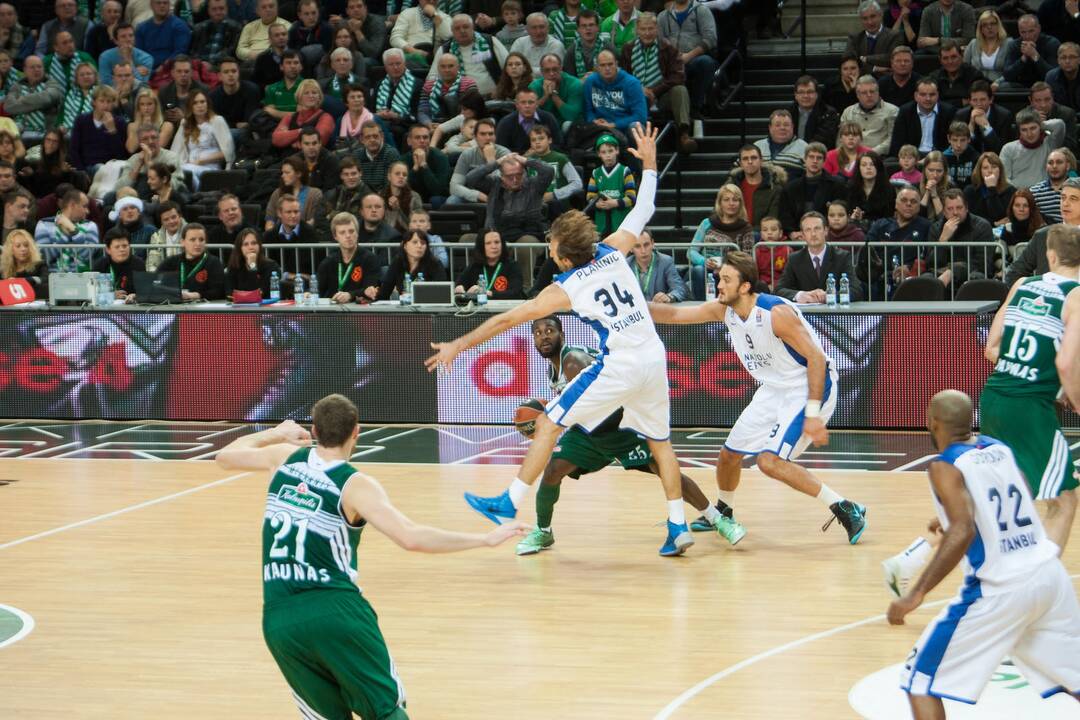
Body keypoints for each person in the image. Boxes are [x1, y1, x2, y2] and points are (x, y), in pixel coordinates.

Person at [428, 123, 701, 557]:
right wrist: (649, 161)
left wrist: (459, 345)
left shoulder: (566, 288)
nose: (550, 249)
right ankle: (677, 526)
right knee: (660, 444)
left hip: (620, 363)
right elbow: (644, 208)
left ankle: (509, 501)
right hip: (653, 357)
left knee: (550, 423)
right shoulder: (613, 249)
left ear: (563, 253)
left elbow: (507, 320)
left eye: (553, 244)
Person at [214, 399, 526, 720]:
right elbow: (411, 537)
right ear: (356, 433)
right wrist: (483, 540)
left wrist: (275, 433)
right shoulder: (355, 485)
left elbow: (224, 457)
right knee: (385, 711)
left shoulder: (283, 458)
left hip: (279, 622)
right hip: (336, 610)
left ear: (315, 431)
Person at [650, 245, 868, 544]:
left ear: (745, 286)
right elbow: (674, 314)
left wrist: (813, 415)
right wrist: (634, 309)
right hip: (774, 389)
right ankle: (723, 511)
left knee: (770, 462)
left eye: (726, 279)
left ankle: (845, 507)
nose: (719, 284)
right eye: (719, 277)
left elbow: (817, 359)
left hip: (807, 386)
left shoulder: (775, 313)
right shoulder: (723, 309)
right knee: (728, 456)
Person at [885, 389, 1080, 719]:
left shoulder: (944, 467)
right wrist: (953, 514)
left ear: (932, 424)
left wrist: (915, 594)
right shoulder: (998, 448)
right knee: (1074, 676)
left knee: (919, 682)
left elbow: (963, 531)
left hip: (1000, 589)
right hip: (1049, 576)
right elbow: (1019, 490)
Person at [515, 317, 728, 555]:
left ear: (562, 334)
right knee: (553, 471)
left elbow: (607, 400)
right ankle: (543, 531)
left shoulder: (573, 361)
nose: (543, 336)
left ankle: (717, 519)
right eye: (537, 333)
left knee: (666, 472)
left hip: (621, 424)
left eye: (549, 331)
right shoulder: (553, 370)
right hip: (591, 432)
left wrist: (552, 421)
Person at [620, 13, 696, 154]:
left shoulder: (669, 47)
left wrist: (654, 91)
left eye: (651, 29)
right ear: (637, 30)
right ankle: (639, 144)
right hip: (636, 95)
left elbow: (678, 76)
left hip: (662, 95)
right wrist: (638, 89)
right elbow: (622, 77)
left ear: (657, 29)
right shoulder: (627, 49)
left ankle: (684, 134)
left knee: (680, 90)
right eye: (643, 29)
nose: (647, 33)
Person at [465, 151, 553, 245]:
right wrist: (498, 162)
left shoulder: (534, 185)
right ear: (502, 176)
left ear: (524, 173)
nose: (515, 180)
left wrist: (525, 160)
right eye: (509, 176)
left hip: (525, 235)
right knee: (466, 239)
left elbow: (548, 171)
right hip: (496, 236)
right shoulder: (494, 184)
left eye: (518, 175)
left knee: (526, 242)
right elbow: (470, 178)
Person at [775, 211, 863, 303]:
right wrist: (800, 295)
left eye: (817, 228)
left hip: (835, 313)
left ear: (825, 231)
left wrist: (829, 296)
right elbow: (778, 290)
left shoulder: (842, 257)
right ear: (803, 235)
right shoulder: (794, 259)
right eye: (808, 230)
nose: (813, 234)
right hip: (805, 315)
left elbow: (856, 290)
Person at [863, 184, 931, 298]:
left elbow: (928, 255)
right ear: (896, 203)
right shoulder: (880, 225)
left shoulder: (926, 226)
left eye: (913, 201)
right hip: (880, 277)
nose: (908, 204)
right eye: (904, 200)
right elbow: (867, 252)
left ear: (919, 206)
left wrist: (910, 269)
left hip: (911, 278)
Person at [656, 0, 718, 112]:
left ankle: (696, 107)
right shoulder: (663, 15)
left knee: (706, 62)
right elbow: (659, 39)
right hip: (671, 61)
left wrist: (688, 56)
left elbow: (711, 39)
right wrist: (672, 53)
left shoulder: (702, 11)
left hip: (694, 58)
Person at [926, 188, 994, 288]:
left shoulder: (982, 226)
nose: (955, 212)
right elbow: (931, 264)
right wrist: (943, 240)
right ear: (944, 211)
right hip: (942, 275)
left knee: (976, 277)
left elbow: (982, 264)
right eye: (950, 209)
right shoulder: (936, 228)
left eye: (959, 208)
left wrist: (954, 270)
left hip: (971, 274)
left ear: (966, 208)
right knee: (926, 277)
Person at [428, 14, 508, 99]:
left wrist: (501, 89)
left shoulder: (490, 42)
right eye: (457, 28)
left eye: (466, 27)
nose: (462, 31)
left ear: (473, 27)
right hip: (460, 101)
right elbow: (432, 77)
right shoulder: (445, 49)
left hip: (493, 97)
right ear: (452, 31)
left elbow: (509, 66)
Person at [170, 89, 234, 190]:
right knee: (178, 172)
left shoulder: (217, 121)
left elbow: (227, 152)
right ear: (190, 107)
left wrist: (200, 161)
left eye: (202, 102)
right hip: (189, 165)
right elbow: (175, 150)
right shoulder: (185, 123)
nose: (200, 105)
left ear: (207, 103)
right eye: (195, 103)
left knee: (184, 171)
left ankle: (194, 190)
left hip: (210, 168)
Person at [779, 143, 845, 238]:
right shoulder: (790, 188)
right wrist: (792, 233)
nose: (815, 161)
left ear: (824, 161)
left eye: (819, 158)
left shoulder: (837, 186)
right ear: (805, 160)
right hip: (798, 237)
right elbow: (785, 215)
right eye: (811, 157)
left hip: (828, 236)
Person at [315, 212, 381, 303]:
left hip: (360, 312)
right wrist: (308, 294)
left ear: (357, 233)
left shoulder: (370, 259)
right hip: (333, 312)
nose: (348, 236)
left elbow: (370, 290)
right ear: (335, 236)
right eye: (342, 232)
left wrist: (350, 295)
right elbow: (317, 289)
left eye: (351, 231)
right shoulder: (328, 262)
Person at [581, 49, 647, 139]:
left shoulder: (632, 83)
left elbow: (640, 116)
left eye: (610, 64)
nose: (607, 68)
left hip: (623, 129)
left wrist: (614, 125)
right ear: (597, 67)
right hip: (598, 128)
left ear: (616, 64)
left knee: (635, 126)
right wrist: (593, 121)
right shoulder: (590, 81)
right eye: (603, 65)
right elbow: (588, 110)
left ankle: (635, 153)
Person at [156, 223, 226, 301]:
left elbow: (219, 291)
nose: (198, 244)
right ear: (182, 242)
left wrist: (197, 295)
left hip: (203, 309)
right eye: (192, 240)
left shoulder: (214, 263)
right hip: (174, 306)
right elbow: (156, 284)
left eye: (201, 240)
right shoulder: (170, 262)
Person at [723, 144, 785, 231]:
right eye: (745, 159)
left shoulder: (775, 189)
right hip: (734, 232)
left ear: (761, 160)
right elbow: (719, 213)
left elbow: (773, 220)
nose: (750, 161)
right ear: (740, 163)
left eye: (754, 158)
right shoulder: (731, 187)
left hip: (762, 236)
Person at [888, 78, 957, 157]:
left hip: (939, 156)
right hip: (912, 156)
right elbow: (897, 142)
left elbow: (952, 142)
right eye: (923, 95)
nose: (928, 98)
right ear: (915, 96)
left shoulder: (948, 111)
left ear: (938, 95)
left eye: (932, 94)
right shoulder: (906, 111)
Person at [69, 85, 128, 176]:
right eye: (102, 101)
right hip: (88, 167)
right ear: (94, 102)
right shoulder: (82, 121)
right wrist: (81, 171)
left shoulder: (120, 123)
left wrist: (112, 131)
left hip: (112, 167)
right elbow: (74, 150)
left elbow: (121, 155)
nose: (105, 105)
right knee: (99, 168)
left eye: (109, 102)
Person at [34, 187, 99, 269]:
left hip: (83, 277)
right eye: (84, 206)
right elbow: (44, 257)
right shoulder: (44, 224)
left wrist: (75, 231)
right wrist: (65, 236)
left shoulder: (90, 226)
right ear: (72, 205)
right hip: (50, 278)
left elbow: (87, 256)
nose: (87, 211)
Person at [1001, 112, 1068, 192]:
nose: (1029, 134)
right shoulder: (1008, 148)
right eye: (1024, 130)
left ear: (1040, 127)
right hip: (1018, 196)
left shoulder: (1050, 143)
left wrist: (1041, 123)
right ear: (1019, 130)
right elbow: (1004, 178)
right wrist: (1019, 194)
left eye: (1033, 128)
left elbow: (1059, 124)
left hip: (1044, 195)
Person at [4, 56, 63, 145]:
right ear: (25, 70)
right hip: (21, 132)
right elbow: (8, 107)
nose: (37, 70)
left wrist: (23, 99)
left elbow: (48, 98)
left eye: (39, 67)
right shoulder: (17, 86)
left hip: (45, 132)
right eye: (32, 67)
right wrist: (37, 103)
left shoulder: (51, 83)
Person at [447, 117, 507, 204]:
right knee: (452, 201)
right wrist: (478, 195)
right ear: (475, 137)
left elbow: (503, 185)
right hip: (473, 194)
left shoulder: (504, 153)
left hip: (498, 195)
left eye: (491, 134)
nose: (488, 138)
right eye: (483, 134)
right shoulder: (467, 154)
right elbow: (454, 187)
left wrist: (491, 161)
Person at [525, 124, 581, 216]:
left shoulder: (561, 159)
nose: (537, 142)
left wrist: (554, 194)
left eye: (541, 138)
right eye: (533, 140)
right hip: (536, 207)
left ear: (550, 140)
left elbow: (577, 183)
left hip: (559, 206)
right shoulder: (528, 161)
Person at [264, 193, 324, 277]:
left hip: (304, 284)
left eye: (296, 212)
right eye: (289, 212)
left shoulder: (311, 234)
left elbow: (314, 266)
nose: (293, 215)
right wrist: (288, 275)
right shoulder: (269, 236)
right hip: (277, 283)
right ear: (279, 213)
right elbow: (267, 267)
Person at [454, 228, 524, 299]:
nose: (494, 247)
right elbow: (460, 284)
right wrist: (460, 288)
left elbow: (515, 292)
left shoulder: (512, 266)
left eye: (497, 242)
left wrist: (487, 293)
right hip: (479, 309)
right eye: (488, 243)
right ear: (481, 246)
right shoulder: (475, 266)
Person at [587, 134, 635, 236]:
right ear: (599, 154)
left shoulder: (625, 171)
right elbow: (590, 196)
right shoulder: (595, 173)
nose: (608, 155)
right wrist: (596, 203)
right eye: (603, 152)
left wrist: (615, 203)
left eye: (611, 151)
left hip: (621, 223)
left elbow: (632, 198)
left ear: (617, 151)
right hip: (601, 224)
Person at [377, 230, 447, 299]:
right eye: (415, 242)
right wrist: (375, 293)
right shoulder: (398, 262)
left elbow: (442, 292)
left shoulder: (435, 264)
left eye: (423, 243)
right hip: (405, 307)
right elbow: (385, 291)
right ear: (405, 246)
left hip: (430, 307)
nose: (419, 246)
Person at [839, 75, 898, 157]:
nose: (869, 95)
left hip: (880, 157)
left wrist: (869, 154)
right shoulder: (848, 112)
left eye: (872, 91)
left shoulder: (892, 111)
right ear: (857, 95)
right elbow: (841, 139)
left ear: (878, 92)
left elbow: (892, 140)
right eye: (864, 93)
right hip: (851, 157)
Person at [495, 87, 561, 154]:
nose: (527, 106)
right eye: (523, 102)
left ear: (536, 104)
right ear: (517, 104)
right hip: (516, 162)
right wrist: (525, 155)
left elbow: (558, 144)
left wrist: (540, 151)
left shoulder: (548, 118)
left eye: (531, 102)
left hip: (546, 159)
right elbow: (501, 150)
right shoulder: (505, 123)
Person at [627, 228, 688, 303]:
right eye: (637, 246)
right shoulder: (625, 265)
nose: (643, 251)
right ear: (630, 248)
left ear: (652, 243)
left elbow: (679, 289)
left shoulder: (666, 262)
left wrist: (669, 297)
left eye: (646, 245)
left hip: (659, 311)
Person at [373, 49, 421, 142]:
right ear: (385, 67)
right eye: (391, 64)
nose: (395, 67)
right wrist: (378, 114)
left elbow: (416, 115)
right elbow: (370, 110)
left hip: (403, 125)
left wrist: (396, 116)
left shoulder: (417, 84)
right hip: (380, 122)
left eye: (398, 63)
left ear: (404, 64)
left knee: (391, 131)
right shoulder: (379, 84)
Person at [418, 54, 478, 128]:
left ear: (458, 67)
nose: (447, 70)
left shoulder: (468, 84)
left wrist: (444, 127)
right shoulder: (428, 85)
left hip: (461, 126)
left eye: (451, 66)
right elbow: (422, 111)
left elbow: (471, 112)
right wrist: (428, 124)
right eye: (443, 66)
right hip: (433, 125)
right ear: (438, 68)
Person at [1002, 14, 1060, 90]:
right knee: (1003, 87)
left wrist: (1034, 55)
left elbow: (1054, 76)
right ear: (1019, 31)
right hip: (1021, 85)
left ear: (1039, 28)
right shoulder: (1014, 45)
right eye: (1023, 32)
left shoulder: (1052, 43)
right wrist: (1023, 59)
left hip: (1045, 84)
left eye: (1031, 31)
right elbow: (1007, 75)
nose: (1027, 36)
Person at [389, 0, 453, 67]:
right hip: (411, 54)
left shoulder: (445, 18)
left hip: (435, 59)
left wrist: (435, 15)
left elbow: (448, 37)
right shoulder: (407, 13)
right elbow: (395, 38)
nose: (431, 1)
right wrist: (413, 51)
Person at [847, 1, 902, 74]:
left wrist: (865, 58)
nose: (870, 22)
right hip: (861, 80)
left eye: (873, 16)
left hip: (886, 79)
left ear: (881, 15)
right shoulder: (855, 38)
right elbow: (848, 62)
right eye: (865, 18)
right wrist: (874, 68)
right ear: (861, 20)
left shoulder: (894, 35)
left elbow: (892, 58)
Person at [530, 52, 583, 128]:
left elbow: (572, 116)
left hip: (566, 127)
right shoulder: (535, 86)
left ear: (561, 68)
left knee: (568, 124)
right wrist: (545, 97)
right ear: (541, 71)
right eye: (547, 70)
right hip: (542, 128)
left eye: (555, 69)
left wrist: (554, 95)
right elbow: (527, 113)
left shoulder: (574, 84)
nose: (551, 73)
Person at [224, 228, 281, 298]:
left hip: (264, 307)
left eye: (254, 243)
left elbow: (258, 294)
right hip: (240, 307)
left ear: (259, 246)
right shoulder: (234, 267)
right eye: (245, 244)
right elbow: (229, 294)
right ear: (240, 248)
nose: (251, 247)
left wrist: (252, 266)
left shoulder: (271, 267)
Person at [962, 152, 1014, 227]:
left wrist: (991, 189)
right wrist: (994, 223)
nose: (990, 171)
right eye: (985, 168)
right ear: (980, 171)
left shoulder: (1010, 190)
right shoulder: (970, 191)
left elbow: (1001, 217)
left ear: (1000, 170)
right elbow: (970, 218)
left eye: (994, 167)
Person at [135, 0, 192, 68]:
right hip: (147, 70)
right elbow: (139, 54)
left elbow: (180, 52)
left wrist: (163, 67)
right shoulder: (141, 28)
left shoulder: (180, 26)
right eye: (158, 3)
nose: (162, 6)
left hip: (171, 69)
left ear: (169, 5)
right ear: (151, 5)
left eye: (165, 3)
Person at [788, 76, 839, 150]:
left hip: (818, 154)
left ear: (816, 94)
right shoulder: (789, 113)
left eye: (810, 92)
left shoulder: (828, 113)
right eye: (801, 92)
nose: (805, 96)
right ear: (796, 95)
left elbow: (823, 139)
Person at [93, 228, 145, 300]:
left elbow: (144, 292)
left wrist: (135, 296)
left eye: (125, 246)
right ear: (108, 250)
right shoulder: (100, 265)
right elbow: (92, 293)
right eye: (117, 247)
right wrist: (110, 296)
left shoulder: (139, 265)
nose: (122, 250)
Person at [190, 0, 243, 69]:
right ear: (208, 10)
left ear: (226, 9)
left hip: (222, 68)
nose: (218, 12)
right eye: (214, 9)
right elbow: (193, 52)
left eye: (221, 8)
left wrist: (212, 65)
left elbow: (232, 52)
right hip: (199, 67)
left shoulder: (236, 28)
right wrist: (200, 64)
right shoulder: (199, 28)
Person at [847, 151, 896, 226]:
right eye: (864, 165)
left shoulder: (888, 189)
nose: (868, 168)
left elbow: (889, 218)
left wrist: (864, 219)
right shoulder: (851, 187)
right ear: (858, 168)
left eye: (872, 164)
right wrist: (854, 217)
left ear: (878, 167)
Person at [98, 22, 154, 86]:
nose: (128, 39)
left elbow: (142, 85)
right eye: (123, 36)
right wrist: (136, 71)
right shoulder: (105, 57)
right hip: (113, 93)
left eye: (131, 35)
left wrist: (129, 61)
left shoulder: (146, 58)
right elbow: (106, 83)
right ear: (116, 41)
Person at [562, 9, 610, 80]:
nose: (588, 28)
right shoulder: (571, 52)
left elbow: (617, 74)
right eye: (584, 26)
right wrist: (580, 82)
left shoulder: (608, 47)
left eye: (591, 25)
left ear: (597, 27)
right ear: (578, 29)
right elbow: (568, 82)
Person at [0, 229, 48, 300]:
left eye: (26, 245)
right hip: (9, 307)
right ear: (11, 250)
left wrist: (21, 281)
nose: (23, 249)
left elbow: (45, 279)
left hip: (34, 304)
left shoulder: (39, 264)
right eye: (18, 246)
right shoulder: (3, 268)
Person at [961, 9, 1007, 83]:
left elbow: (1011, 71)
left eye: (992, 23)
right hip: (976, 85)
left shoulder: (1008, 44)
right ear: (981, 29)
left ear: (998, 25)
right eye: (985, 25)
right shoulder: (973, 44)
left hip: (999, 85)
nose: (989, 27)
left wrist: (998, 82)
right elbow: (964, 68)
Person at [322, 157, 373, 222]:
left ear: (360, 173)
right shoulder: (331, 194)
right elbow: (320, 219)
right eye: (346, 174)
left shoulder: (369, 197)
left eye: (354, 173)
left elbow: (365, 223)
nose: (350, 177)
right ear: (341, 176)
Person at [126, 88, 175, 154]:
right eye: (142, 104)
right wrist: (140, 127)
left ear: (156, 105)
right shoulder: (132, 126)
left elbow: (157, 147)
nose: (146, 108)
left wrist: (149, 127)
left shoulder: (166, 125)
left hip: (160, 161)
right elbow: (131, 149)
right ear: (138, 107)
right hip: (139, 159)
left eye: (149, 104)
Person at [380, 160, 423, 233]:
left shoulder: (414, 197)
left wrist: (398, 210)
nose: (401, 177)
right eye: (397, 174)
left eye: (404, 175)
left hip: (407, 238)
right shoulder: (380, 196)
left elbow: (416, 226)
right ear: (389, 176)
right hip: (385, 239)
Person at [1030, 149, 1071, 224]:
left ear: (1067, 166)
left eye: (1059, 162)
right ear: (1046, 167)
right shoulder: (1034, 192)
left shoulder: (1076, 189)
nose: (1054, 166)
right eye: (1050, 163)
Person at [146, 200, 185, 271]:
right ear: (161, 222)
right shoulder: (156, 237)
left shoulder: (192, 233)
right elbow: (152, 263)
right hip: (165, 277)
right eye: (166, 219)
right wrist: (154, 279)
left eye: (173, 217)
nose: (171, 221)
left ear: (180, 216)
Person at [941, 122, 977, 188]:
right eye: (955, 140)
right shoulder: (943, 158)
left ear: (969, 139)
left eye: (962, 140)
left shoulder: (976, 158)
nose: (958, 145)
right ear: (948, 139)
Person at [1047, 42, 1080, 112]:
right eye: (1063, 57)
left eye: (1072, 57)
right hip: (1062, 118)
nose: (1067, 61)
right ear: (1058, 60)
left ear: (1079, 60)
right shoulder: (1051, 77)